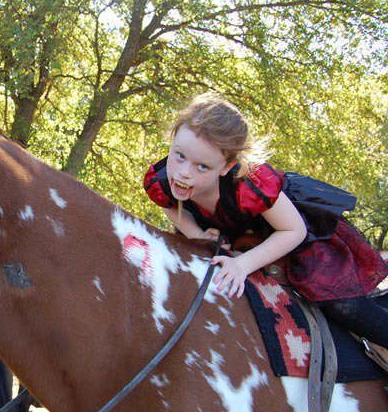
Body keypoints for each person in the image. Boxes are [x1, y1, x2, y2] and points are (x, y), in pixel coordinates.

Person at [144, 92, 388, 347]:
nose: (183, 173)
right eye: (179, 155)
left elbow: (294, 231)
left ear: (227, 167)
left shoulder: (249, 185)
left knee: (340, 304)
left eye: (202, 166)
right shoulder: (163, 179)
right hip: (235, 233)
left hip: (288, 236)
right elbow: (169, 204)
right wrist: (195, 234)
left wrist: (243, 265)